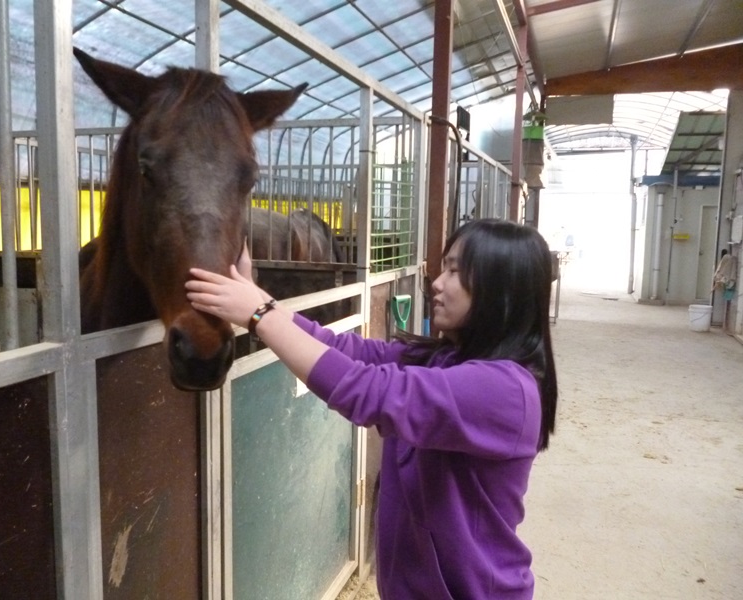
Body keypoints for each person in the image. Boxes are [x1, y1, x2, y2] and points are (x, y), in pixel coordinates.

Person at [185, 218, 558, 599]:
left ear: (501, 292)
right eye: (443, 267)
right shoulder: (445, 359)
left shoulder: (505, 389)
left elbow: (366, 391)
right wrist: (260, 300)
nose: (437, 283)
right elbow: (349, 352)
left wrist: (260, 317)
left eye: (455, 272)